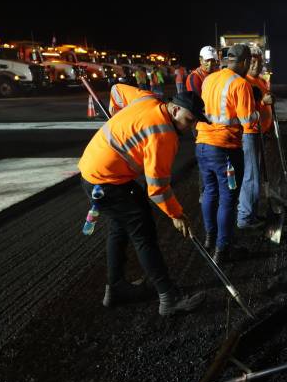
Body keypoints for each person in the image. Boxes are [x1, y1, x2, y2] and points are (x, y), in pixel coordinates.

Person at [78, 90, 207, 316]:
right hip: (107, 181)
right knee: (143, 231)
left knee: (120, 226)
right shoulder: (163, 134)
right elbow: (157, 189)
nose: (191, 126)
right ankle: (169, 298)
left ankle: (116, 288)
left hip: (92, 172)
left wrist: (119, 118)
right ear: (175, 109)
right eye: (189, 120)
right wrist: (177, 215)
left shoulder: (148, 98)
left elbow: (118, 90)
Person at [195, 44, 258, 264]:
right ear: (244, 62)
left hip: (202, 145)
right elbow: (248, 122)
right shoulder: (240, 84)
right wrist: (258, 114)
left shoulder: (209, 79)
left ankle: (210, 238)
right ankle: (223, 249)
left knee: (210, 192)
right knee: (229, 199)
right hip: (226, 149)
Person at [237, 46, 274, 229]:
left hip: (260, 132)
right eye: (252, 61)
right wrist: (262, 102)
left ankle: (250, 213)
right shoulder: (244, 82)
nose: (256, 64)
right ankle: (244, 218)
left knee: (254, 175)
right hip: (249, 133)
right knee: (251, 176)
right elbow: (245, 110)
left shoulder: (259, 81)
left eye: (259, 61)